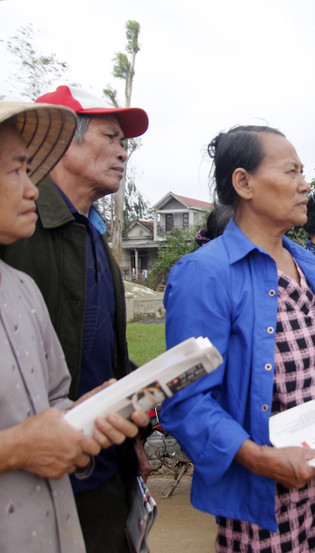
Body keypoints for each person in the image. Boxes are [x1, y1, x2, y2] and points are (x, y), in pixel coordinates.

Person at [161, 125, 315, 553]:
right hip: (265, 498)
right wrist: (261, 459)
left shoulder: (309, 266)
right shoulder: (205, 274)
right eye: (291, 172)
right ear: (244, 183)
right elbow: (185, 399)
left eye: (303, 172)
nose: (305, 185)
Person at [0, 85, 151, 553]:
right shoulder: (20, 235)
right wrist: (17, 446)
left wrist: (128, 439)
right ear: (67, 142)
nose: (122, 153)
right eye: (110, 137)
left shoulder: (92, 238)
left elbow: (56, 386)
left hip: (92, 473)